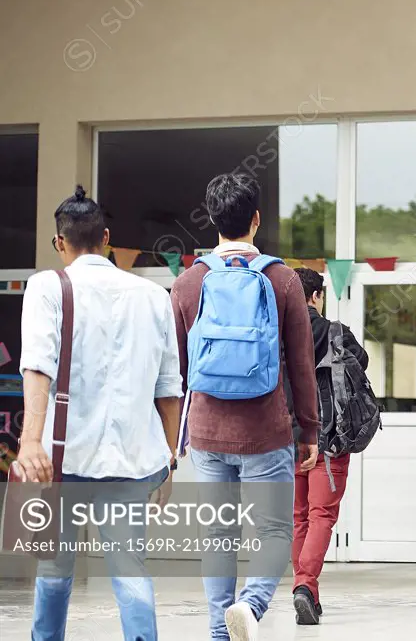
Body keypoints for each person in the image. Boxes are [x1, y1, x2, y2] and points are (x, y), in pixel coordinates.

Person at [17, 186, 182, 641]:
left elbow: (37, 366)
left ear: (59, 243)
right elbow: (170, 391)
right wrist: (169, 459)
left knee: (53, 570)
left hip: (61, 460)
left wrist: (30, 441)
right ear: (107, 238)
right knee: (131, 571)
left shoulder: (47, 286)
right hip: (132, 462)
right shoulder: (153, 295)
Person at [171, 173, 319, 641]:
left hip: (208, 433)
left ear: (212, 219)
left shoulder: (189, 283)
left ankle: (220, 631)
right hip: (266, 431)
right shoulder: (283, 279)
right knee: (274, 530)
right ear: (256, 220)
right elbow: (301, 365)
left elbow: (175, 369)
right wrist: (311, 431)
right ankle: (251, 606)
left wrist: (172, 438)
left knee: (217, 536)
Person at [289, 267, 368, 625]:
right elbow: (361, 365)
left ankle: (306, 592)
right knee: (322, 515)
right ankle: (305, 586)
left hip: (287, 440)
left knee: (299, 517)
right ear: (317, 295)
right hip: (330, 438)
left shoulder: (275, 332)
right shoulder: (335, 332)